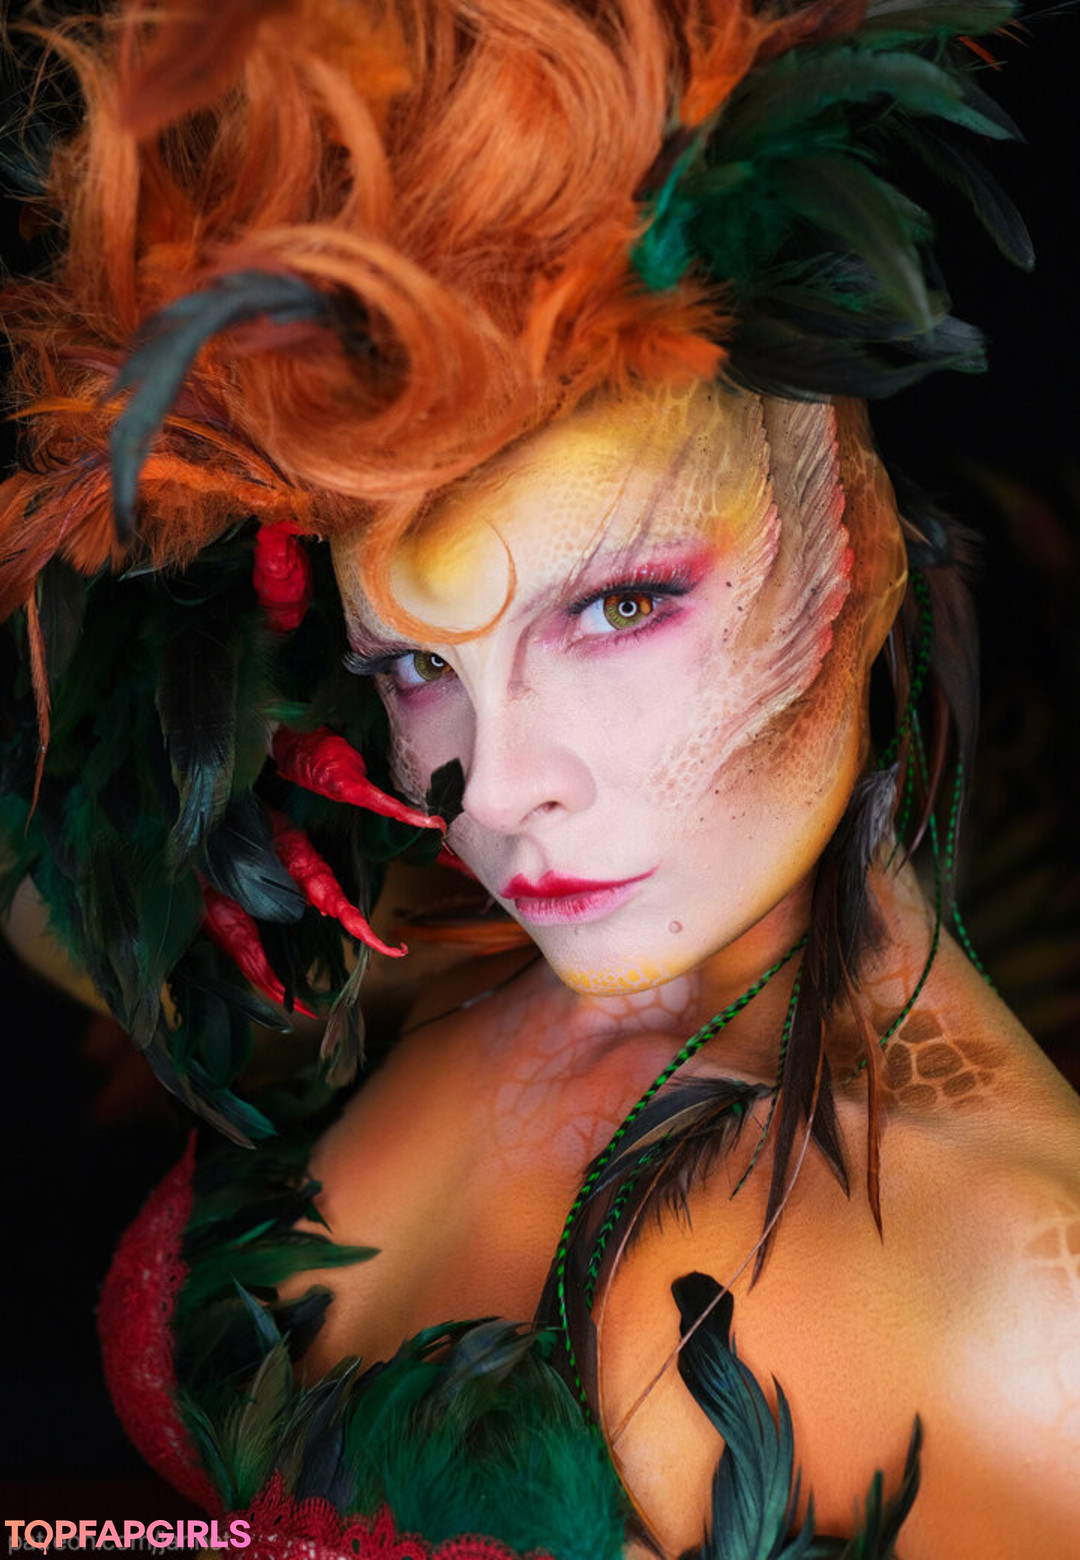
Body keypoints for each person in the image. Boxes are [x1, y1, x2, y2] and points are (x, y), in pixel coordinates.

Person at [1, 2, 1077, 1557]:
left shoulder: (993, 1284)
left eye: (621, 607)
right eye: (413, 666)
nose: (496, 788)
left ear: (847, 542)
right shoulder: (421, 949)